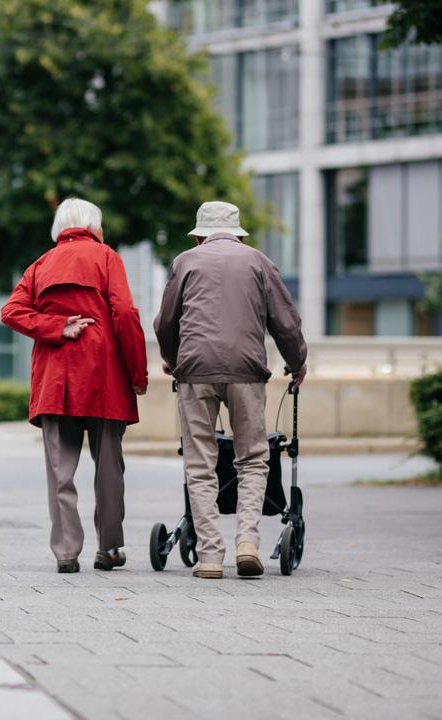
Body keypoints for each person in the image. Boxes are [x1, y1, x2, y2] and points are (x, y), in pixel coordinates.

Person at [154, 201, 307, 579]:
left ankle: (208, 557)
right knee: (253, 458)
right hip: (245, 369)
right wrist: (298, 362)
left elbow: (165, 322)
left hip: (196, 371)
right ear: (237, 232)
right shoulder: (258, 261)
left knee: (199, 461)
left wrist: (174, 359)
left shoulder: (185, 261)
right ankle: (247, 545)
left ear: (199, 234)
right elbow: (285, 322)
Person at [1, 198, 148, 573]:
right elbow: (126, 314)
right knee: (109, 468)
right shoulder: (106, 258)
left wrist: (56, 327)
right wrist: (138, 373)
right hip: (105, 376)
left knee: (60, 470)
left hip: (55, 378)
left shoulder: (40, 265)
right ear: (94, 226)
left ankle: (66, 552)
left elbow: (11, 312)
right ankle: (110, 548)